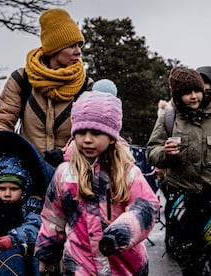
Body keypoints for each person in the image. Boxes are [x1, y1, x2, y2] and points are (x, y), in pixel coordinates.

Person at [34, 91, 160, 275]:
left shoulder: (126, 172)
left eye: (95, 132)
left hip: (124, 266)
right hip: (80, 265)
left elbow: (146, 206)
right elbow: (53, 217)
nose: (87, 139)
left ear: (111, 137)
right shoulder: (64, 174)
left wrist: (123, 230)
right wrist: (47, 253)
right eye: (81, 132)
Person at [146, 66, 211, 275]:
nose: (193, 97)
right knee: (189, 259)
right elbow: (151, 152)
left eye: (197, 91)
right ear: (177, 95)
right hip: (182, 198)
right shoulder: (168, 117)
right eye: (186, 93)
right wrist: (164, 152)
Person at [0, 8, 93, 164]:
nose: (78, 52)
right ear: (54, 49)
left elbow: (92, 133)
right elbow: (2, 123)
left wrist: (67, 154)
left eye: (80, 45)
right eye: (72, 46)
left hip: (71, 175)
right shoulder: (22, 79)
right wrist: (11, 154)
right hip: (29, 172)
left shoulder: (84, 85)